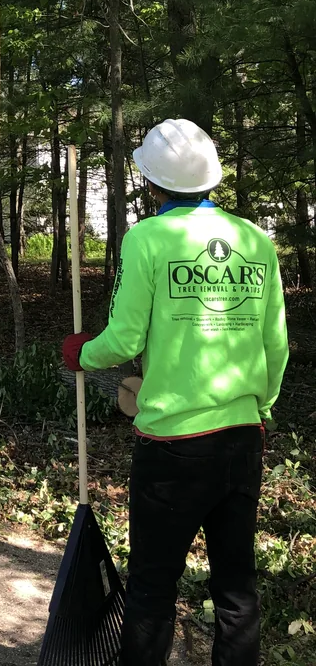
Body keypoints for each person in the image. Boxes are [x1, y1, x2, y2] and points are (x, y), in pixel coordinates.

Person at [62, 118, 289, 666]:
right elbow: (276, 342)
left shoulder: (147, 238)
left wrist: (81, 354)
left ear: (151, 180)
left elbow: (123, 339)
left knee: (153, 590)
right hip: (242, 438)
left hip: (172, 448)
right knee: (236, 589)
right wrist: (262, 406)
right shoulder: (256, 240)